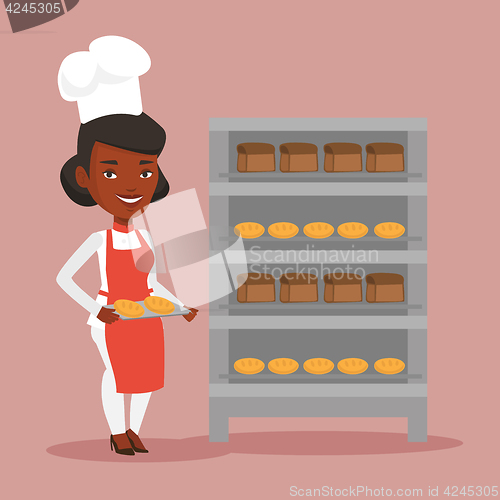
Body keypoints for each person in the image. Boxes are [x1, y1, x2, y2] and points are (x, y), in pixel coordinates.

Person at [56, 36, 197, 456]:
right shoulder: (98, 240)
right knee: (117, 374)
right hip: (112, 316)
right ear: (85, 178)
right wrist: (96, 308)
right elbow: (63, 278)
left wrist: (180, 307)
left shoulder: (150, 235)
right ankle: (117, 431)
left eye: (145, 170)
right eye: (112, 173)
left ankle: (134, 428)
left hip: (146, 315)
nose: (133, 184)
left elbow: (152, 284)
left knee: (147, 376)